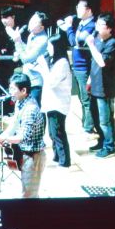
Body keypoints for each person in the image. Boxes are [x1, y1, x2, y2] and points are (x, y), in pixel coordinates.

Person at [0, 72, 47, 197]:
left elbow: (21, 137)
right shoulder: (20, 102)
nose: (10, 92)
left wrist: (3, 138)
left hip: (34, 156)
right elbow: (14, 124)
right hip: (25, 153)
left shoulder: (30, 109)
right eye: (10, 88)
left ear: (23, 90)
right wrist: (2, 136)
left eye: (13, 89)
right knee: (28, 193)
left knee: (29, 195)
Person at [58, 0, 99, 141]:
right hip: (78, 66)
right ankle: (86, 125)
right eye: (76, 7)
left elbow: (77, 41)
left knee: (87, 99)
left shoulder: (92, 25)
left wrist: (69, 27)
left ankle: (88, 128)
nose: (77, 10)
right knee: (82, 98)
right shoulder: (82, 23)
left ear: (89, 10)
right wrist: (66, 27)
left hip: (85, 67)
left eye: (80, 7)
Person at [87, 12, 115, 158]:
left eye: (101, 25)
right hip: (95, 85)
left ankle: (109, 146)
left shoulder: (113, 43)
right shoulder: (97, 38)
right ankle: (102, 141)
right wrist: (89, 80)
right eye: (97, 24)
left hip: (106, 88)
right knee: (96, 118)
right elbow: (94, 62)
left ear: (109, 28)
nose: (97, 27)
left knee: (105, 120)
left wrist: (91, 45)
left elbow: (101, 62)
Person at [38, 34, 72, 167]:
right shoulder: (55, 61)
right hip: (52, 102)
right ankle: (57, 156)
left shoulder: (62, 63)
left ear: (57, 47)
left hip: (58, 103)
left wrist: (43, 67)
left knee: (58, 132)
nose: (48, 49)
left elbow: (52, 82)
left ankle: (65, 161)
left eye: (50, 46)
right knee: (52, 133)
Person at [7, 11, 49, 104]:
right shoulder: (32, 35)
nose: (31, 23)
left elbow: (26, 59)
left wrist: (17, 42)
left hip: (36, 81)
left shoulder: (42, 40)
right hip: (28, 77)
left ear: (41, 27)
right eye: (32, 19)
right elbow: (26, 51)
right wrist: (19, 49)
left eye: (35, 22)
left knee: (33, 107)